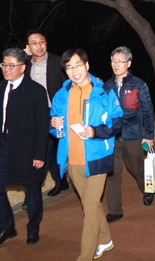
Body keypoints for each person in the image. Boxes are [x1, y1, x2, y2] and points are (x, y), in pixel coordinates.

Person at [50, 49, 123, 261]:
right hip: (71, 161)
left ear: (87, 66)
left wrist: (94, 131)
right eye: (69, 67)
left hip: (97, 158)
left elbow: (116, 123)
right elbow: (56, 127)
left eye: (78, 65)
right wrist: (53, 125)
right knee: (90, 204)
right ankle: (105, 239)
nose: (74, 71)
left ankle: (85, 255)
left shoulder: (104, 92)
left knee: (89, 209)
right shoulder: (61, 95)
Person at [0, 47, 49, 246]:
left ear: (23, 67)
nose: (6, 69)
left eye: (11, 66)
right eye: (4, 65)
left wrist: (40, 154)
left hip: (27, 150)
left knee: (31, 191)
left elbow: (42, 126)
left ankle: (33, 229)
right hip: (2, 147)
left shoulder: (36, 91)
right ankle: (6, 228)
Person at [103, 46, 155, 223]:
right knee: (112, 174)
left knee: (137, 168)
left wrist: (149, 135)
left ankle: (148, 189)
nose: (116, 65)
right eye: (113, 61)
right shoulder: (106, 86)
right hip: (113, 137)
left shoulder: (138, 84)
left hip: (133, 136)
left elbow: (148, 111)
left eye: (120, 61)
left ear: (129, 63)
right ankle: (115, 210)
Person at [23, 30, 68, 197]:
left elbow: (67, 86)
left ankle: (58, 181)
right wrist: (23, 54)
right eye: (34, 43)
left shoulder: (58, 61)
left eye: (41, 41)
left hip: (55, 113)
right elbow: (7, 65)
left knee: (54, 148)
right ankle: (60, 181)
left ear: (46, 42)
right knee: (43, 149)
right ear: (28, 47)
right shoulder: (25, 64)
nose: (39, 46)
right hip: (34, 114)